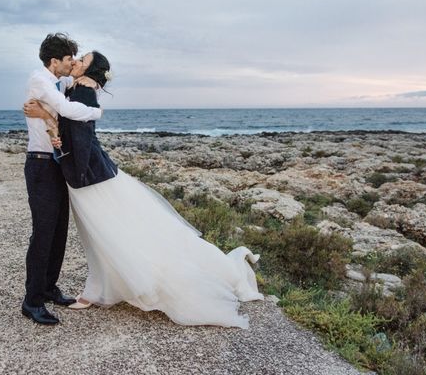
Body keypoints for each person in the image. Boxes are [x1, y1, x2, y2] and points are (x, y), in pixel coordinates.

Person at [25, 51, 264, 328]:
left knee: (112, 233)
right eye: (75, 58)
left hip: (89, 177)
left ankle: (103, 289)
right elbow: (72, 127)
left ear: (91, 70)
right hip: (89, 173)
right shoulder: (77, 88)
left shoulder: (84, 92)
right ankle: (95, 288)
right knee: (112, 232)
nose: (76, 61)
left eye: (83, 60)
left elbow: (81, 139)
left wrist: (57, 138)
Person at [21, 33, 103, 326]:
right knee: (43, 234)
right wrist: (97, 112)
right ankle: (32, 302)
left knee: (58, 232)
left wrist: (91, 80)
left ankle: (48, 288)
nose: (72, 64)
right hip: (40, 164)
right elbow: (68, 110)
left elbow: (81, 81)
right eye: (68, 59)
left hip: (56, 165)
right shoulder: (40, 80)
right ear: (54, 61)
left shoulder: (59, 80)